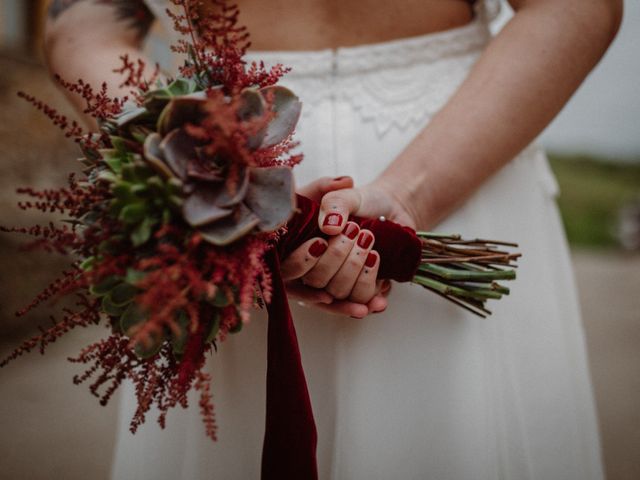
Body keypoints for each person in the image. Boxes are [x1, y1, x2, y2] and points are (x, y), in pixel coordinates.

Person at [44, 0, 622, 478]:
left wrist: (411, 196)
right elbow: (85, 24)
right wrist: (197, 168)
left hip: (462, 148)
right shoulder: (208, 174)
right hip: (229, 166)